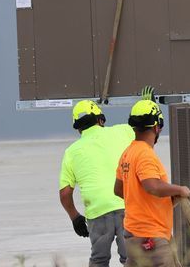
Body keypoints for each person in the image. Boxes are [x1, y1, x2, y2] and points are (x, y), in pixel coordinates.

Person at [114, 99, 190, 267]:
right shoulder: (145, 154)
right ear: (157, 127)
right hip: (151, 239)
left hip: (133, 235)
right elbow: (152, 186)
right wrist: (180, 189)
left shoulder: (127, 154)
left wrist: (163, 201)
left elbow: (119, 190)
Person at [59, 99, 134, 266]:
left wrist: (75, 218)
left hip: (97, 213)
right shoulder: (123, 132)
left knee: (99, 260)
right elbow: (144, 130)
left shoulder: (71, 153)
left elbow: (65, 193)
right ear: (101, 120)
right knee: (131, 258)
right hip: (127, 206)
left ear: (78, 128)